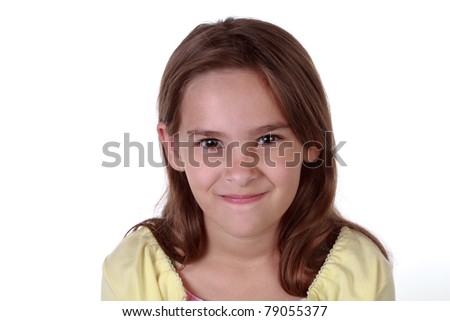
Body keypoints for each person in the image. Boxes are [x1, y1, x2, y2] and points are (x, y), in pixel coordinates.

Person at [101, 17, 395, 301]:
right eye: (211, 143)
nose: (241, 173)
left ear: (312, 141)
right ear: (174, 149)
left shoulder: (360, 275)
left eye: (268, 140)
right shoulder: (133, 274)